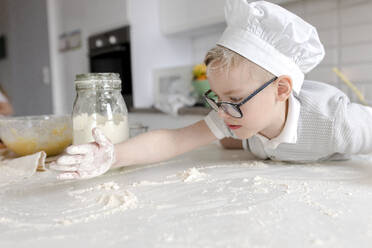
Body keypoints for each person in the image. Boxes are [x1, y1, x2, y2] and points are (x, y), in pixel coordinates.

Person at [50, 0, 372, 180]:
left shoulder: (335, 121)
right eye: (217, 98)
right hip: (254, 139)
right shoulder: (233, 115)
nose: (221, 110)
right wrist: (113, 155)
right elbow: (174, 139)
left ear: (282, 90)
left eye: (233, 99)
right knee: (228, 141)